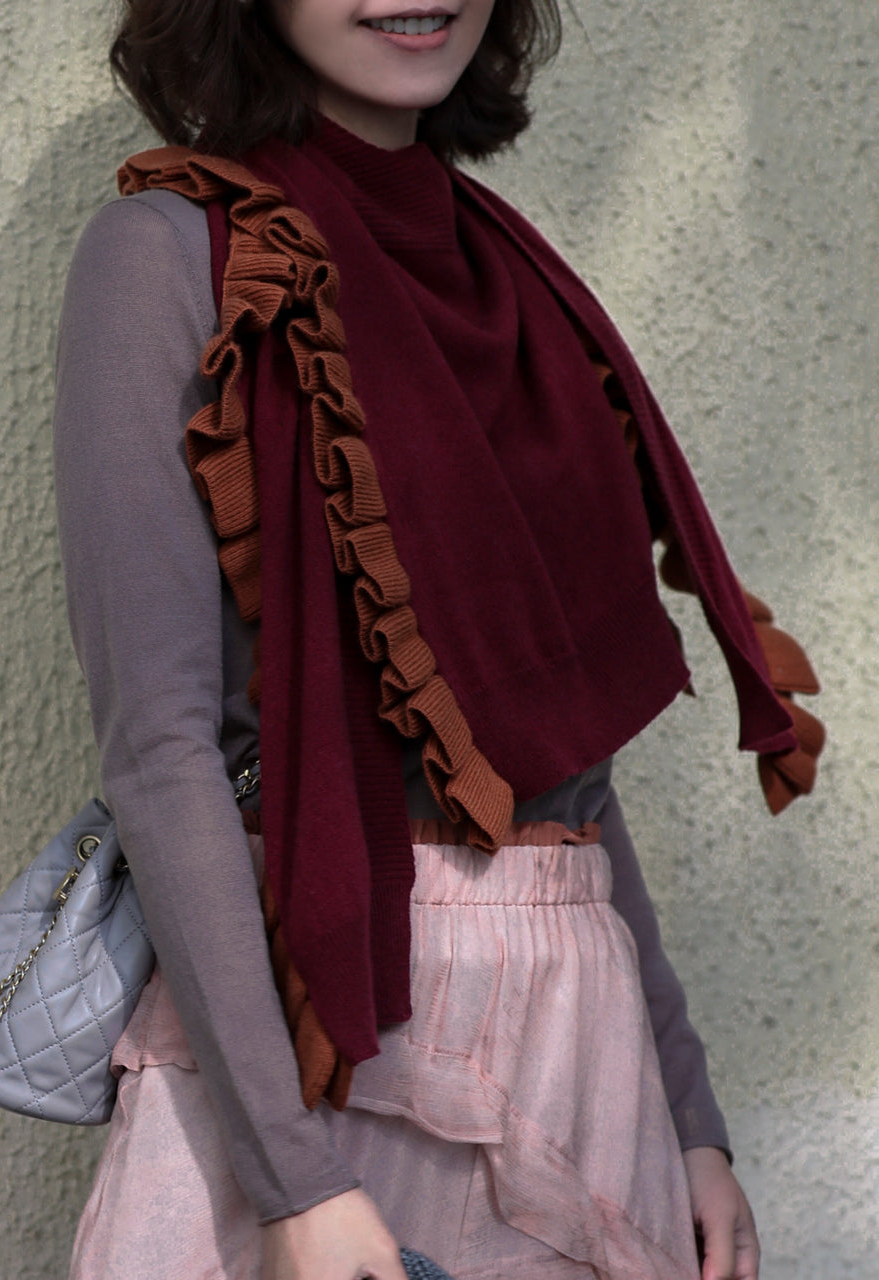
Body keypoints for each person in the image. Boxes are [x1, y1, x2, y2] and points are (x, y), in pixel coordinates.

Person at [57, 2, 820, 1277]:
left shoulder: (516, 282)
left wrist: (689, 1117)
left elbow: (558, 761)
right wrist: (295, 1180)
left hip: (583, 1057)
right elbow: (161, 750)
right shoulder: (169, 257)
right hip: (319, 1060)